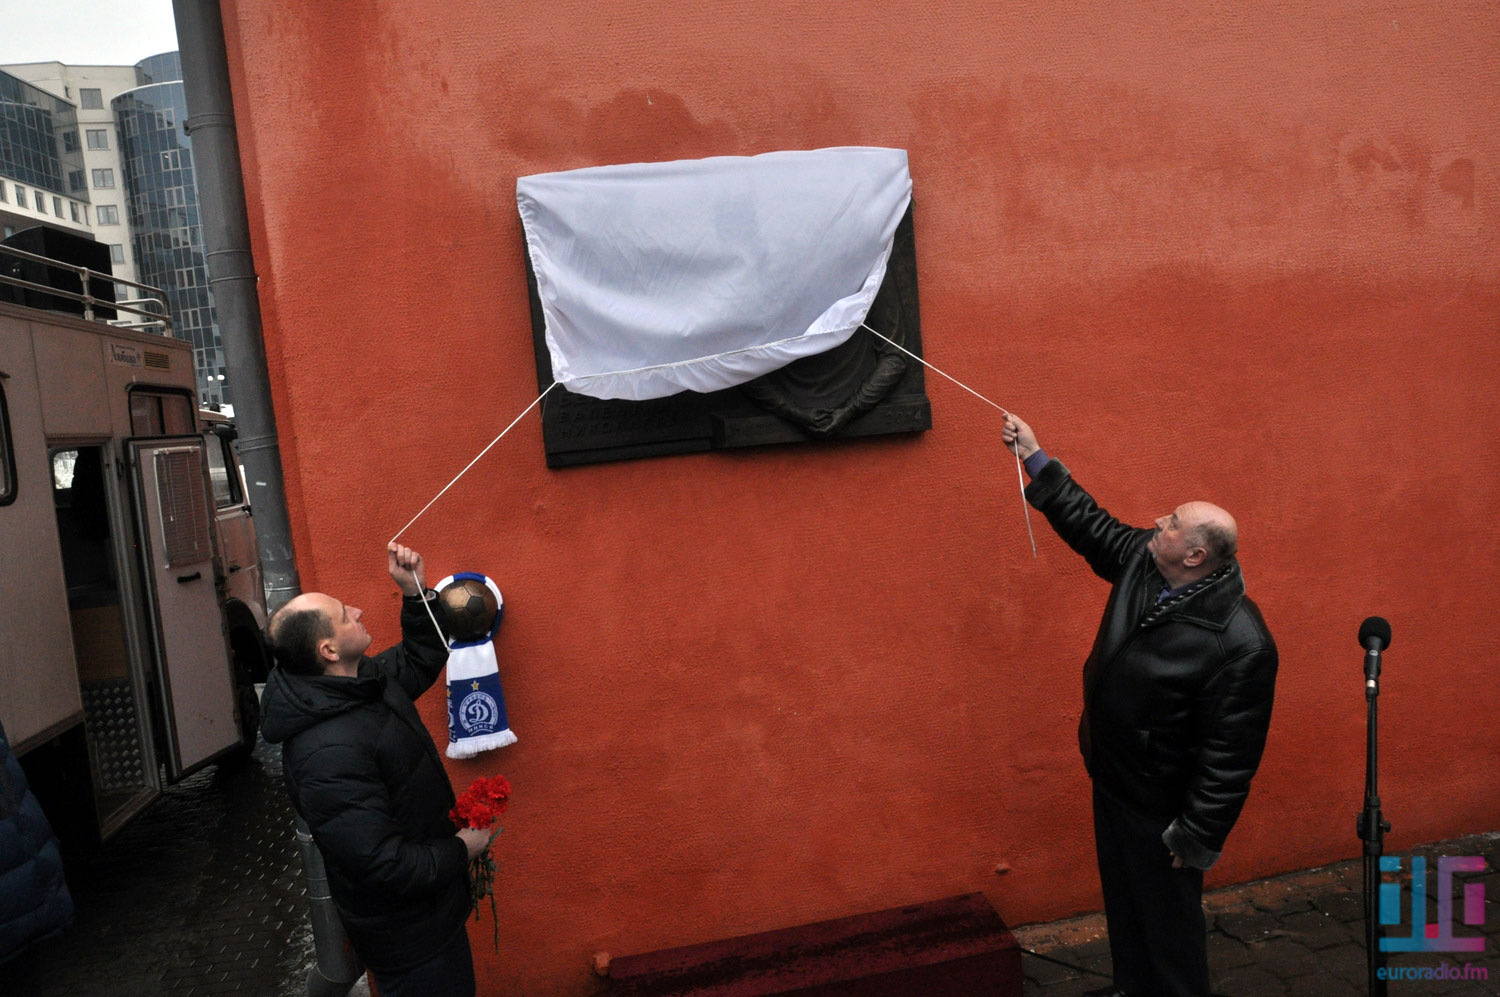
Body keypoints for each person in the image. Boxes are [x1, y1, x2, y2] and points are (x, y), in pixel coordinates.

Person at [1002, 413, 1277, 997]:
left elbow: (1231, 755)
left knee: (1170, 934)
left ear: (1197, 556)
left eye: (1173, 523)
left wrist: (1196, 834)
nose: (1159, 521)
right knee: (1126, 912)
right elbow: (1091, 525)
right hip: (1116, 779)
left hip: (1164, 811)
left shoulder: (1241, 643)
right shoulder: (1146, 562)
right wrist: (1035, 457)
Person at [260, 544, 489, 997]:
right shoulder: (326, 753)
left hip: (430, 919)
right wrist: (461, 849)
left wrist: (414, 591)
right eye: (345, 615)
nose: (358, 610)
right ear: (327, 649)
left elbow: (422, 654)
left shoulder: (358, 683)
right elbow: (382, 865)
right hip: (409, 941)